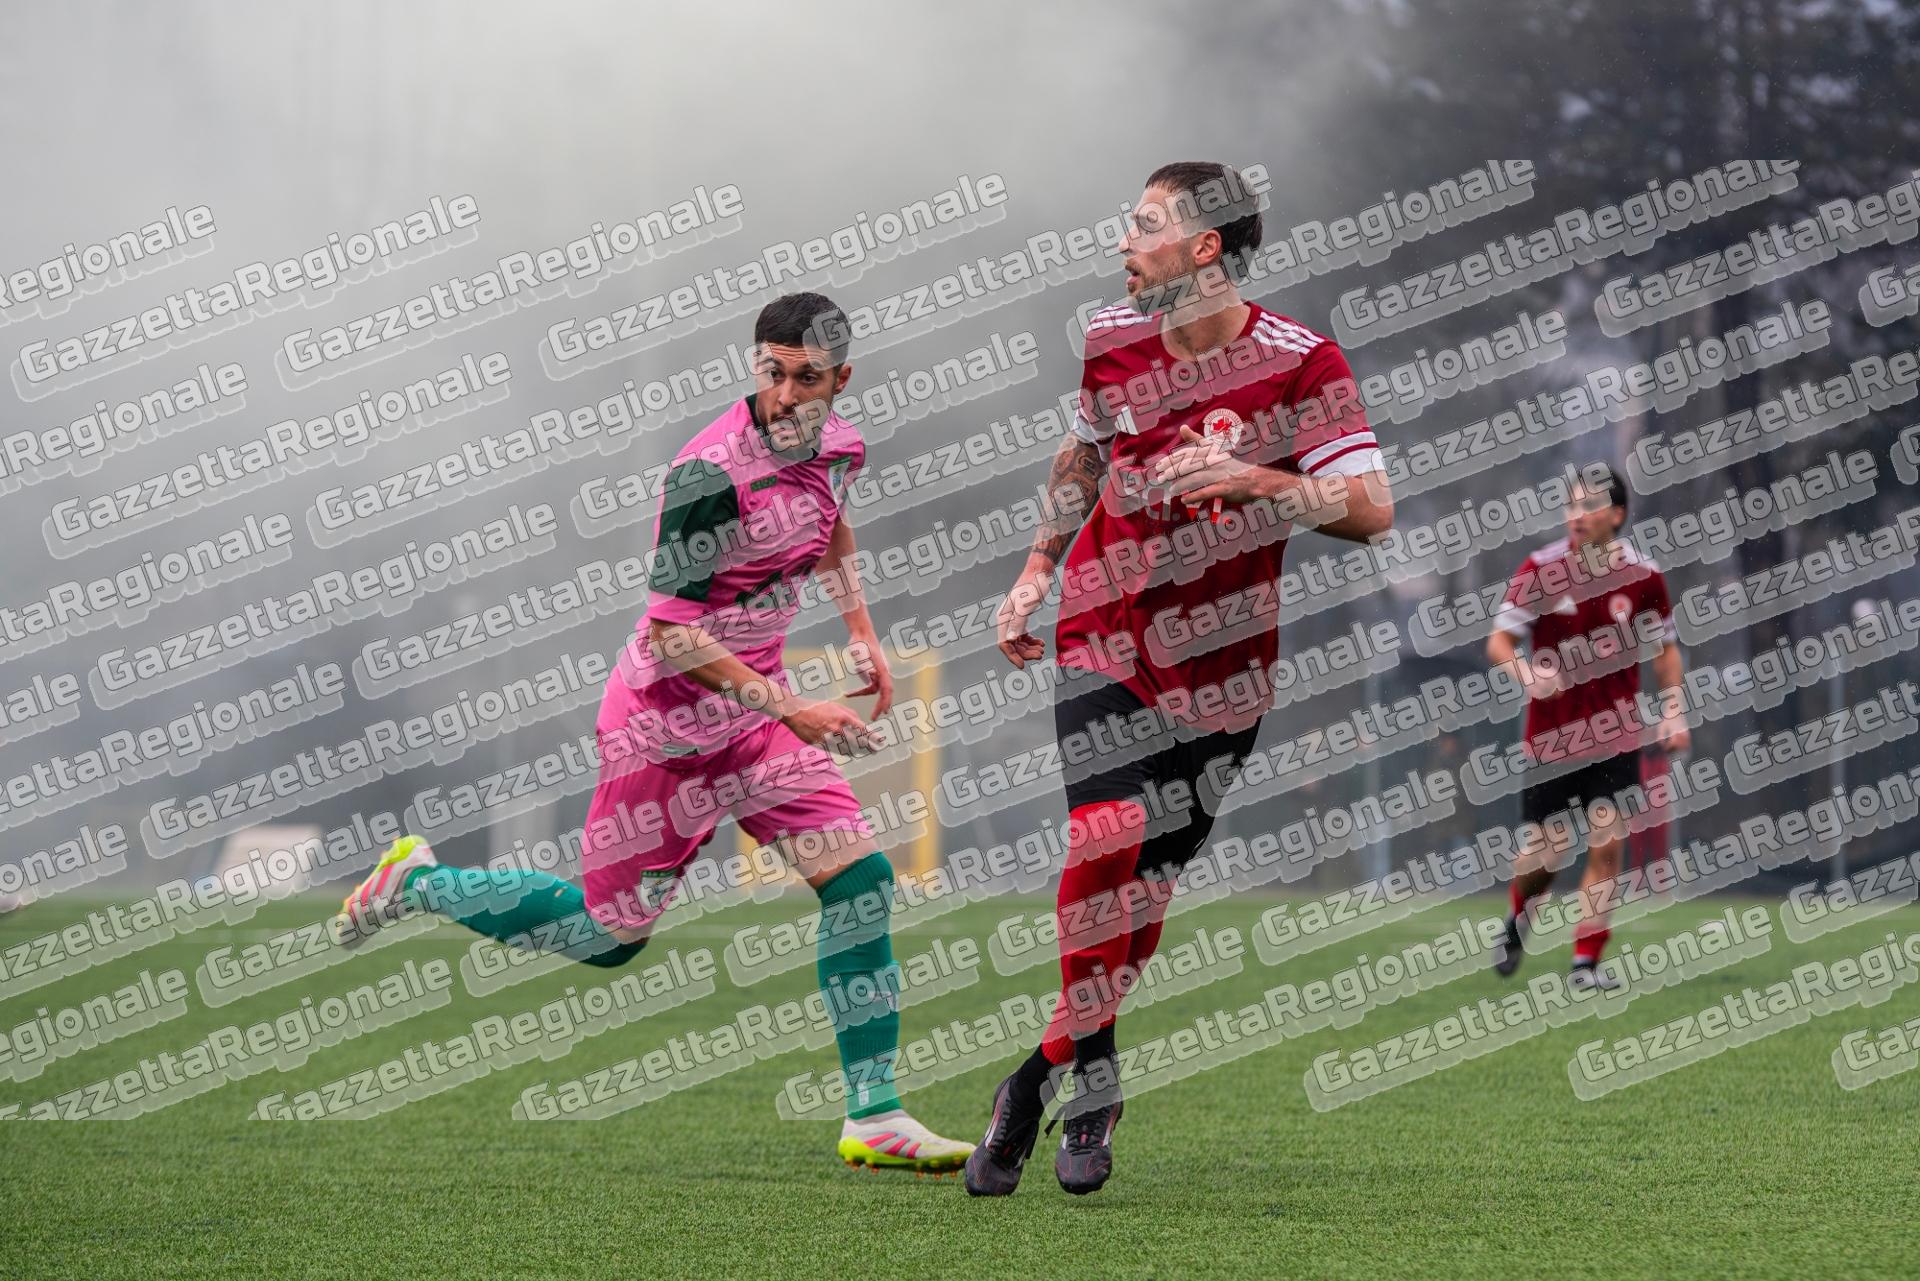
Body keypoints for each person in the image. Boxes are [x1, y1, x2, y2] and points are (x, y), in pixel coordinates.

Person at [336, 292, 973, 1172]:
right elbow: (673, 632)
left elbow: (828, 523)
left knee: (861, 880)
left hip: (754, 724)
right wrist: (792, 708)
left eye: (807, 378)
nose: (786, 395)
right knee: (609, 939)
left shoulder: (842, 447)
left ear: (842, 380)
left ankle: (874, 1113)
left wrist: (859, 626)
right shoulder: (707, 473)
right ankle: (420, 881)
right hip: (664, 730)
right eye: (773, 372)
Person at [966, 162, 1393, 1197]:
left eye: (1145, 223)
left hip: (1225, 668)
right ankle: (1092, 1076)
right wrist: (1036, 571)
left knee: (1145, 892)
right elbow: (1081, 459)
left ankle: (1042, 1074)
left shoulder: (1304, 362)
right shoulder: (1111, 339)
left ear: (1205, 247)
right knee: (1104, 836)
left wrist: (1252, 479)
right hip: (1104, 630)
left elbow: (1371, 509)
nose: (1124, 241)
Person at [1487, 465, 1689, 990]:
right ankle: (1518, 916)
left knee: (1606, 845)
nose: (1576, 515)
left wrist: (1673, 710)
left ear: (1616, 515)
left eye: (1589, 506)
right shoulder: (1540, 569)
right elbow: (1500, 644)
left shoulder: (1644, 578)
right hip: (1551, 740)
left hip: (1616, 737)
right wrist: (1527, 674)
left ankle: (1585, 963)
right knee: (1546, 855)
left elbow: (1666, 652)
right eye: (1571, 505)